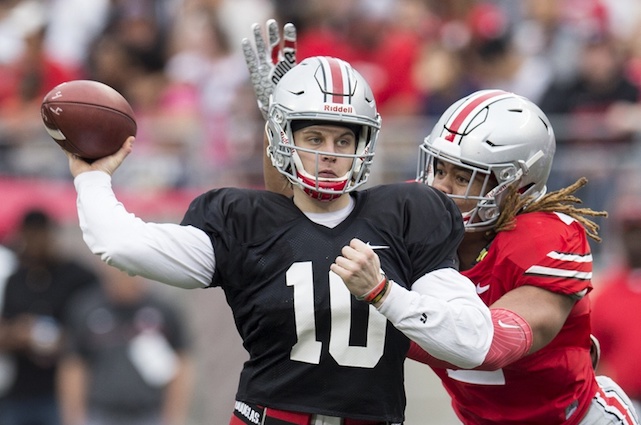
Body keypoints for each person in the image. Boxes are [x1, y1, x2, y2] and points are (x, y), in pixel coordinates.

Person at [63, 36, 495, 425]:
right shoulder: (242, 218)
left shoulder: (407, 213)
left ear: (364, 145)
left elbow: (472, 342)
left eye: (343, 141)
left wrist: (384, 293)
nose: (329, 154)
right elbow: (120, 244)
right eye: (315, 137)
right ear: (282, 137)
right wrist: (92, 178)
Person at [406, 89, 639, 424]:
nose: (440, 188)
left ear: (516, 187)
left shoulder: (546, 240)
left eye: (462, 177)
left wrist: (382, 304)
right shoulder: (408, 221)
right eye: (439, 169)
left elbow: (488, 346)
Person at [58, 264, 193, 425]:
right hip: (100, 413)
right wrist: (74, 418)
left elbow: (181, 365)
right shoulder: (87, 309)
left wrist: (174, 417)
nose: (125, 275)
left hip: (149, 413)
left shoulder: (163, 311)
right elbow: (74, 366)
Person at [0, 209, 99, 425]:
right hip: (21, 389)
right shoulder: (16, 280)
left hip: (65, 390)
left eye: (40, 234)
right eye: (30, 235)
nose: (35, 242)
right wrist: (18, 333)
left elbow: (98, 324)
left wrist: (65, 338)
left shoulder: (77, 276)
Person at [591, 183, 641, 416]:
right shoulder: (606, 295)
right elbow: (594, 354)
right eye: (630, 231)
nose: (636, 239)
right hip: (626, 404)